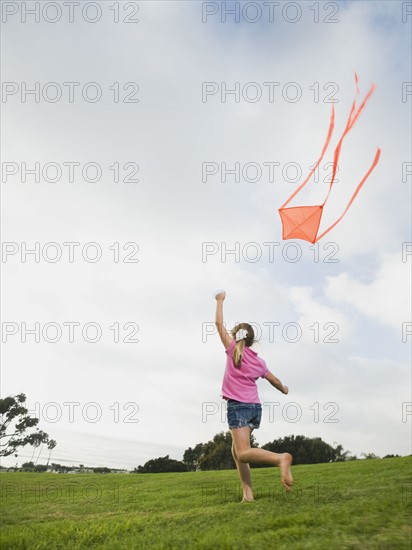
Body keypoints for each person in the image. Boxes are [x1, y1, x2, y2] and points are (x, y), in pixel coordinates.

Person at [214, 290, 293, 501]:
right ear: (251, 340)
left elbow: (218, 324)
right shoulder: (259, 361)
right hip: (254, 408)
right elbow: (274, 380)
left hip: (238, 407)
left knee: (242, 453)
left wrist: (220, 300)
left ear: (235, 335)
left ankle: (280, 458)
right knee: (235, 451)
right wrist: (284, 388)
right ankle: (247, 494)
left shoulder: (232, 349)